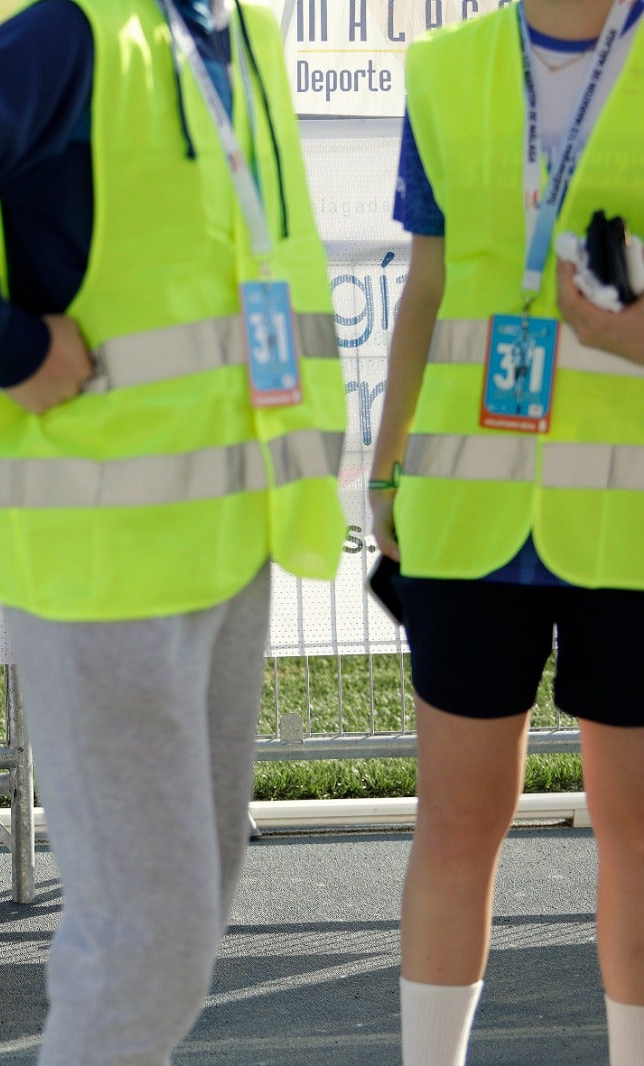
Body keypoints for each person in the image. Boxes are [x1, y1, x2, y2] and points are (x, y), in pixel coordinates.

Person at [0, 1, 348, 1062]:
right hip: (102, 557)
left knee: (178, 915)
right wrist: (11, 345)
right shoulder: (76, 35)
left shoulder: (237, 31)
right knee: (152, 934)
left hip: (225, 535)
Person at [368, 1, 644, 1062]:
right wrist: (388, 465)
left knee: (635, 830)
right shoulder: (442, 67)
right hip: (464, 510)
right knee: (453, 819)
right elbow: (427, 285)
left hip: (628, 524)